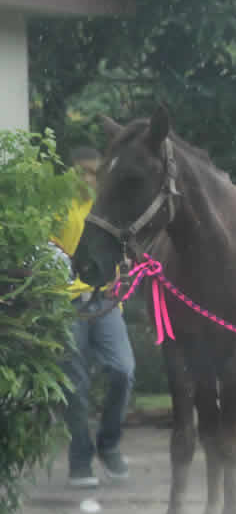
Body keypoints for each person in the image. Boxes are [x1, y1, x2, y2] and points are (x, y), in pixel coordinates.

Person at [51, 147, 136, 488]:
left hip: (106, 302)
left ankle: (109, 445)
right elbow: (50, 249)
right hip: (68, 303)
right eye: (81, 172)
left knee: (123, 370)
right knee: (76, 386)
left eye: (93, 173)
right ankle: (80, 459)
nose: (88, 179)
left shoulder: (110, 208)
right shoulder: (58, 207)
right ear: (70, 174)